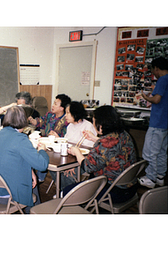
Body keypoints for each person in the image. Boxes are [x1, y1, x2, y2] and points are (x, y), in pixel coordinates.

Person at [63, 105, 137, 204]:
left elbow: (87, 167)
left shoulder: (104, 142)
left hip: (113, 190)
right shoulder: (123, 134)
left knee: (67, 192)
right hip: (130, 186)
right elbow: (112, 147)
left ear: (101, 124)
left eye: (94, 122)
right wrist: (94, 138)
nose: (93, 125)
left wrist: (77, 152)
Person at [0, 106, 49, 211]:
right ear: (24, 120)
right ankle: (35, 213)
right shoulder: (21, 139)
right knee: (31, 185)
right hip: (5, 195)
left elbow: (9, 160)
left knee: (31, 179)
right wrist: (42, 150)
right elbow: (42, 165)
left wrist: (30, 170)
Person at [49, 101, 97, 190]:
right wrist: (58, 138)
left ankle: (68, 194)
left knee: (69, 173)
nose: (65, 116)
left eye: (68, 113)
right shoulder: (70, 126)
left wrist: (73, 165)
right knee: (52, 167)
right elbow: (67, 142)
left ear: (75, 113)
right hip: (69, 156)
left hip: (83, 160)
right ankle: (64, 191)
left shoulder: (88, 126)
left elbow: (90, 150)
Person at [139, 57, 168, 188]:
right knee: (161, 151)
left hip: (157, 122)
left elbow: (156, 100)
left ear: (156, 68)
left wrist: (146, 97)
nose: (153, 73)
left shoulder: (162, 80)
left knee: (149, 152)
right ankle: (160, 176)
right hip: (165, 123)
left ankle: (150, 178)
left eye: (153, 70)